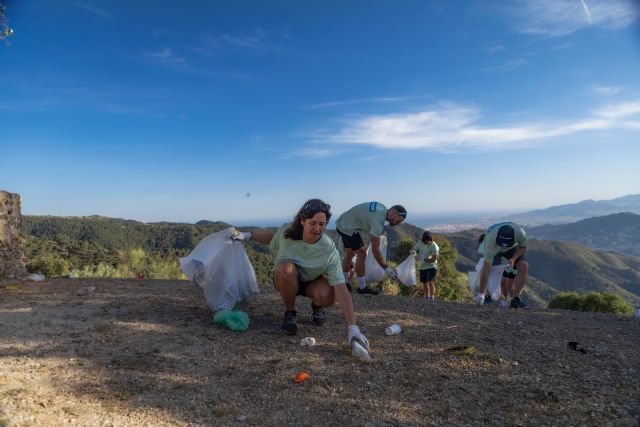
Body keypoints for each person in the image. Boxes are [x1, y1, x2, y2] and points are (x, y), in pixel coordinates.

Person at [231, 199, 369, 352]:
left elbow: (341, 288)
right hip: (288, 278)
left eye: (322, 224)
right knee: (285, 269)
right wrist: (247, 235)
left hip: (312, 282)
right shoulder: (287, 232)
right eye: (313, 223)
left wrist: (353, 328)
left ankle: (317, 306)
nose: (317, 228)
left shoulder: (329, 250)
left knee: (330, 295)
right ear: (303, 221)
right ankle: (290, 313)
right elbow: (272, 238)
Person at [335, 201, 407, 295]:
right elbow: (375, 250)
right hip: (347, 227)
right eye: (398, 220)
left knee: (349, 253)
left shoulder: (381, 207)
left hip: (342, 222)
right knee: (362, 253)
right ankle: (362, 287)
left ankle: (344, 283)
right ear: (393, 213)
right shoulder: (378, 220)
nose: (397, 223)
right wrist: (387, 270)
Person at [474, 222, 529, 308]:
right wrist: (481, 293)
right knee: (492, 269)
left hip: (511, 248)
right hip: (495, 248)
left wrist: (513, 258)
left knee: (524, 266)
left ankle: (516, 299)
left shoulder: (520, 233)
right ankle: (488, 297)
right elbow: (486, 270)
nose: (503, 246)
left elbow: (523, 247)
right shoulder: (490, 242)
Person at [410, 231, 439, 303]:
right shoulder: (420, 243)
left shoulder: (434, 246)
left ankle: (432, 297)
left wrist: (425, 259)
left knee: (430, 281)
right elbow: (413, 249)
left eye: (428, 241)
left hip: (432, 266)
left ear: (430, 239)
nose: (426, 242)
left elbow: (434, 259)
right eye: (425, 241)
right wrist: (413, 252)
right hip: (422, 266)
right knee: (424, 282)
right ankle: (426, 297)